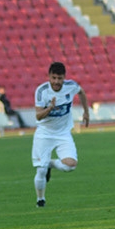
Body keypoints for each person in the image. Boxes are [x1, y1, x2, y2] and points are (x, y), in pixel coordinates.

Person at [32, 62, 89, 208]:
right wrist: (50, 108)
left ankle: (50, 163)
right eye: (54, 78)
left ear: (64, 77)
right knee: (41, 169)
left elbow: (81, 92)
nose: (57, 81)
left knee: (71, 166)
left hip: (63, 133)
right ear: (49, 77)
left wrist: (86, 112)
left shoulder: (71, 86)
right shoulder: (41, 91)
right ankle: (40, 200)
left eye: (60, 78)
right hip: (44, 134)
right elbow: (38, 116)